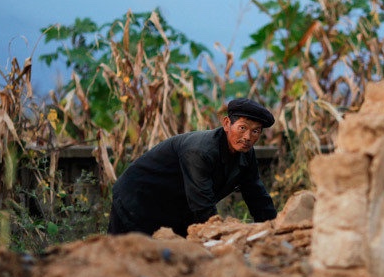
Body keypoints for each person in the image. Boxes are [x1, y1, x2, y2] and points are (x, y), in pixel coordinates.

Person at [107, 98, 277, 237]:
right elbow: (202, 206)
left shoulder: (246, 154)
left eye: (255, 132)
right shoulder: (200, 151)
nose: (247, 137)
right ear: (226, 124)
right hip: (138, 199)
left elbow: (257, 195)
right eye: (242, 128)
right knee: (125, 257)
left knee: (176, 263)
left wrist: (273, 229)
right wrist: (222, 237)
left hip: (175, 208)